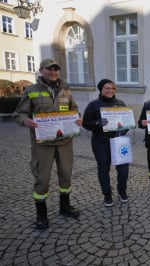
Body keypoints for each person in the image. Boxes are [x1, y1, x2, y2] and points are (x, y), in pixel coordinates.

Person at [13, 58, 81, 229]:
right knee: (42, 179)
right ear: (41, 70)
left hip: (64, 141)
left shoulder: (66, 90)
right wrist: (25, 121)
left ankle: (64, 206)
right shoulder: (31, 90)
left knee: (66, 175)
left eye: (56, 69)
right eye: (49, 69)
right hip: (42, 143)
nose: (53, 72)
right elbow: (19, 114)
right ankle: (41, 215)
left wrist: (77, 119)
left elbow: (74, 110)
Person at [82, 79, 131, 207]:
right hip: (101, 142)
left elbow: (127, 123)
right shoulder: (94, 105)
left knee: (124, 169)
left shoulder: (120, 103)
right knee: (103, 169)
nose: (110, 91)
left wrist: (125, 128)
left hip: (118, 141)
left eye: (112, 88)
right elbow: (85, 123)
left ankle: (122, 190)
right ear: (101, 89)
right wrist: (98, 123)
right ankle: (107, 194)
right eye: (106, 88)